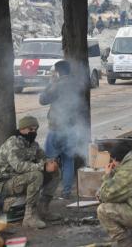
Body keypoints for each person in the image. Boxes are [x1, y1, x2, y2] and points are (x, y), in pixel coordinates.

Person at [0, 116, 60, 229]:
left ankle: (43, 209)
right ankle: (29, 217)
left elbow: (43, 157)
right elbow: (19, 166)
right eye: (30, 129)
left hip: (20, 178)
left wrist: (51, 162)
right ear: (22, 129)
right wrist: (43, 166)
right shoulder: (13, 143)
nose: (33, 132)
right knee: (36, 175)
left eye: (35, 129)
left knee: (55, 173)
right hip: (5, 182)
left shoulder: (33, 144)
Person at [39, 60, 81, 199]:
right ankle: (66, 192)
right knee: (68, 160)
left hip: (57, 128)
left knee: (49, 160)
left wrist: (51, 83)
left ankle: (46, 192)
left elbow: (43, 99)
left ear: (57, 72)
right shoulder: (75, 83)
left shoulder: (57, 85)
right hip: (71, 128)